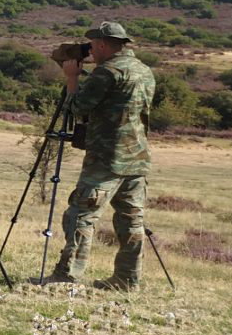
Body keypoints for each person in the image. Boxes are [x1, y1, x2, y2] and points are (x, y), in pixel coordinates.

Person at [47, 21, 156, 291]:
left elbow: (78, 107)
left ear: (104, 44)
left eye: (93, 46)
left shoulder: (107, 72)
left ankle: (67, 275)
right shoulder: (144, 71)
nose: (91, 51)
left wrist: (72, 78)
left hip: (106, 158)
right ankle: (127, 279)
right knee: (131, 220)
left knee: (80, 215)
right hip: (137, 157)